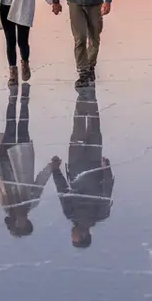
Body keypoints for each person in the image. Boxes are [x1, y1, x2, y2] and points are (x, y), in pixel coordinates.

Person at [0, 85, 55, 237]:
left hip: (5, 161)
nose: (20, 222)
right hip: (22, 158)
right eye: (23, 225)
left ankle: (12, 97)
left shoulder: (6, 205)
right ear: (27, 223)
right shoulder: (31, 203)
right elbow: (39, 183)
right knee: (23, 126)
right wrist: (51, 167)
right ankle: (24, 100)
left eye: (17, 225)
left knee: (10, 125)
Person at [50, 85, 113, 248]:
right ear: (85, 235)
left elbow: (62, 191)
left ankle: (81, 96)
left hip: (75, 163)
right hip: (94, 165)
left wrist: (56, 170)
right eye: (75, 237)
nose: (72, 234)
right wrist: (106, 169)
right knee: (94, 128)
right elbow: (107, 190)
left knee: (78, 126)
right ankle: (90, 94)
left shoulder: (70, 213)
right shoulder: (101, 214)